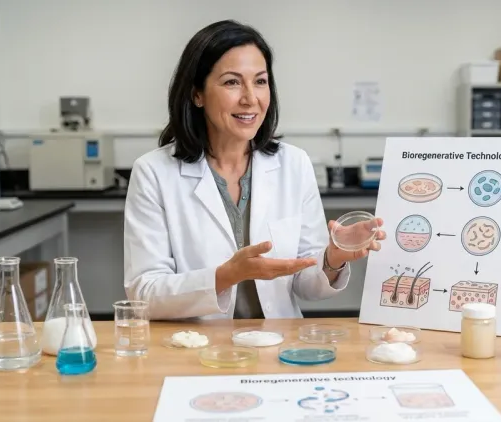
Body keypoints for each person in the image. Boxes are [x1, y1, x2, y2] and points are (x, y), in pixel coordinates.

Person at [123, 20, 385, 320]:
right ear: (197, 94)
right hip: (196, 349)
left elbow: (307, 285)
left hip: (278, 348)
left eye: (260, 81)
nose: (251, 98)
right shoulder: (153, 172)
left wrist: (333, 257)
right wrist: (226, 275)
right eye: (232, 82)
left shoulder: (293, 164)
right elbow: (144, 292)